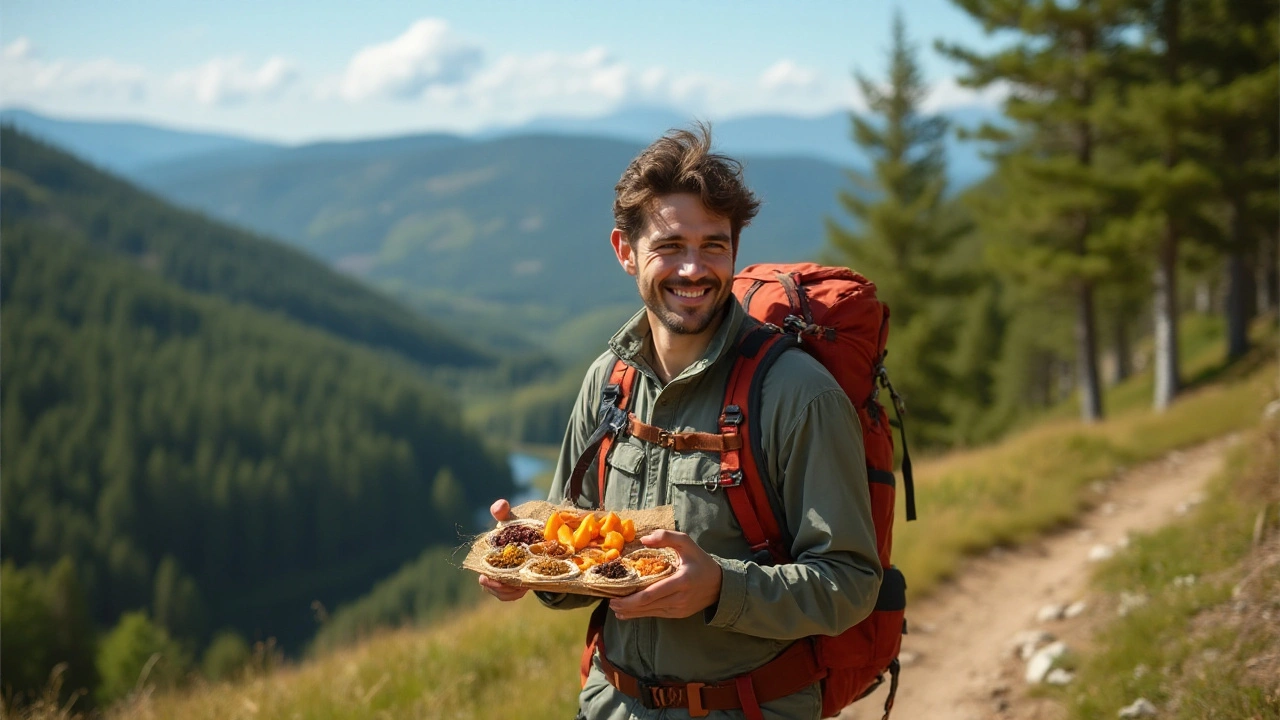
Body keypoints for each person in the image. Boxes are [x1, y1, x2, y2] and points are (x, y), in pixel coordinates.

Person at [480, 124, 882, 720]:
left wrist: (721, 586)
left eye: (714, 245)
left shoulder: (797, 395)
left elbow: (850, 583)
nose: (694, 269)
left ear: (734, 251)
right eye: (670, 246)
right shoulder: (608, 382)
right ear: (625, 251)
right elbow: (579, 556)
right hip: (612, 703)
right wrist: (529, 565)